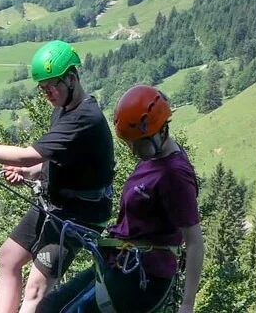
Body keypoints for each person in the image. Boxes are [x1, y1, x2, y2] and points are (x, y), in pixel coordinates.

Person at [0, 40, 117, 313]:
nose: (48, 93)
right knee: (8, 257)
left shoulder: (85, 118)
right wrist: (30, 174)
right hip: (56, 202)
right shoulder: (63, 109)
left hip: (81, 213)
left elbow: (28, 154)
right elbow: (52, 161)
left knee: (35, 287)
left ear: (72, 78)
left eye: (52, 86)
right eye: (43, 88)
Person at [38, 85, 203, 313]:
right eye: (129, 143)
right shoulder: (153, 157)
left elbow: (194, 242)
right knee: (48, 307)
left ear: (159, 130)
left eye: (138, 143)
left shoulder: (174, 174)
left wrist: (187, 304)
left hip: (143, 277)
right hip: (121, 262)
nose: (134, 150)